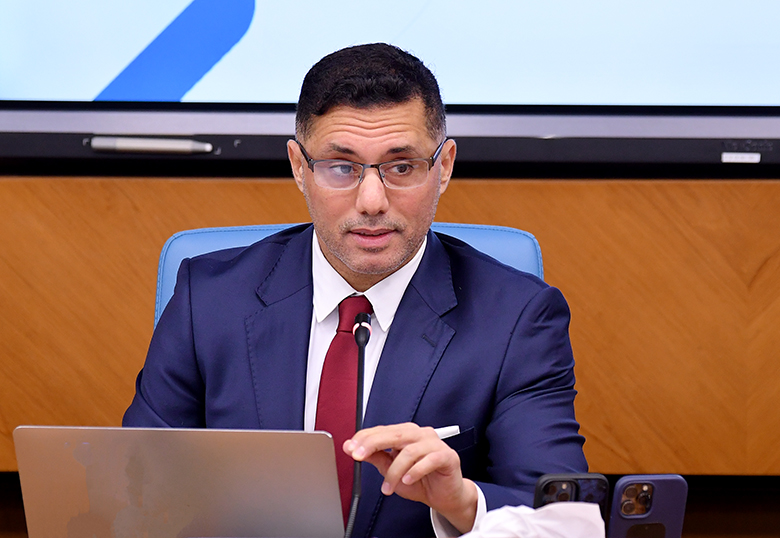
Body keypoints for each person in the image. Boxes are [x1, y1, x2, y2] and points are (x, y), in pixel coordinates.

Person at [123, 43, 588, 537]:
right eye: (341, 167)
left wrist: (464, 502)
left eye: (402, 167)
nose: (371, 201)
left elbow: (565, 522)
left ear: (444, 166)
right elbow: (135, 491)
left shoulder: (518, 320)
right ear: (299, 167)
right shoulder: (207, 299)